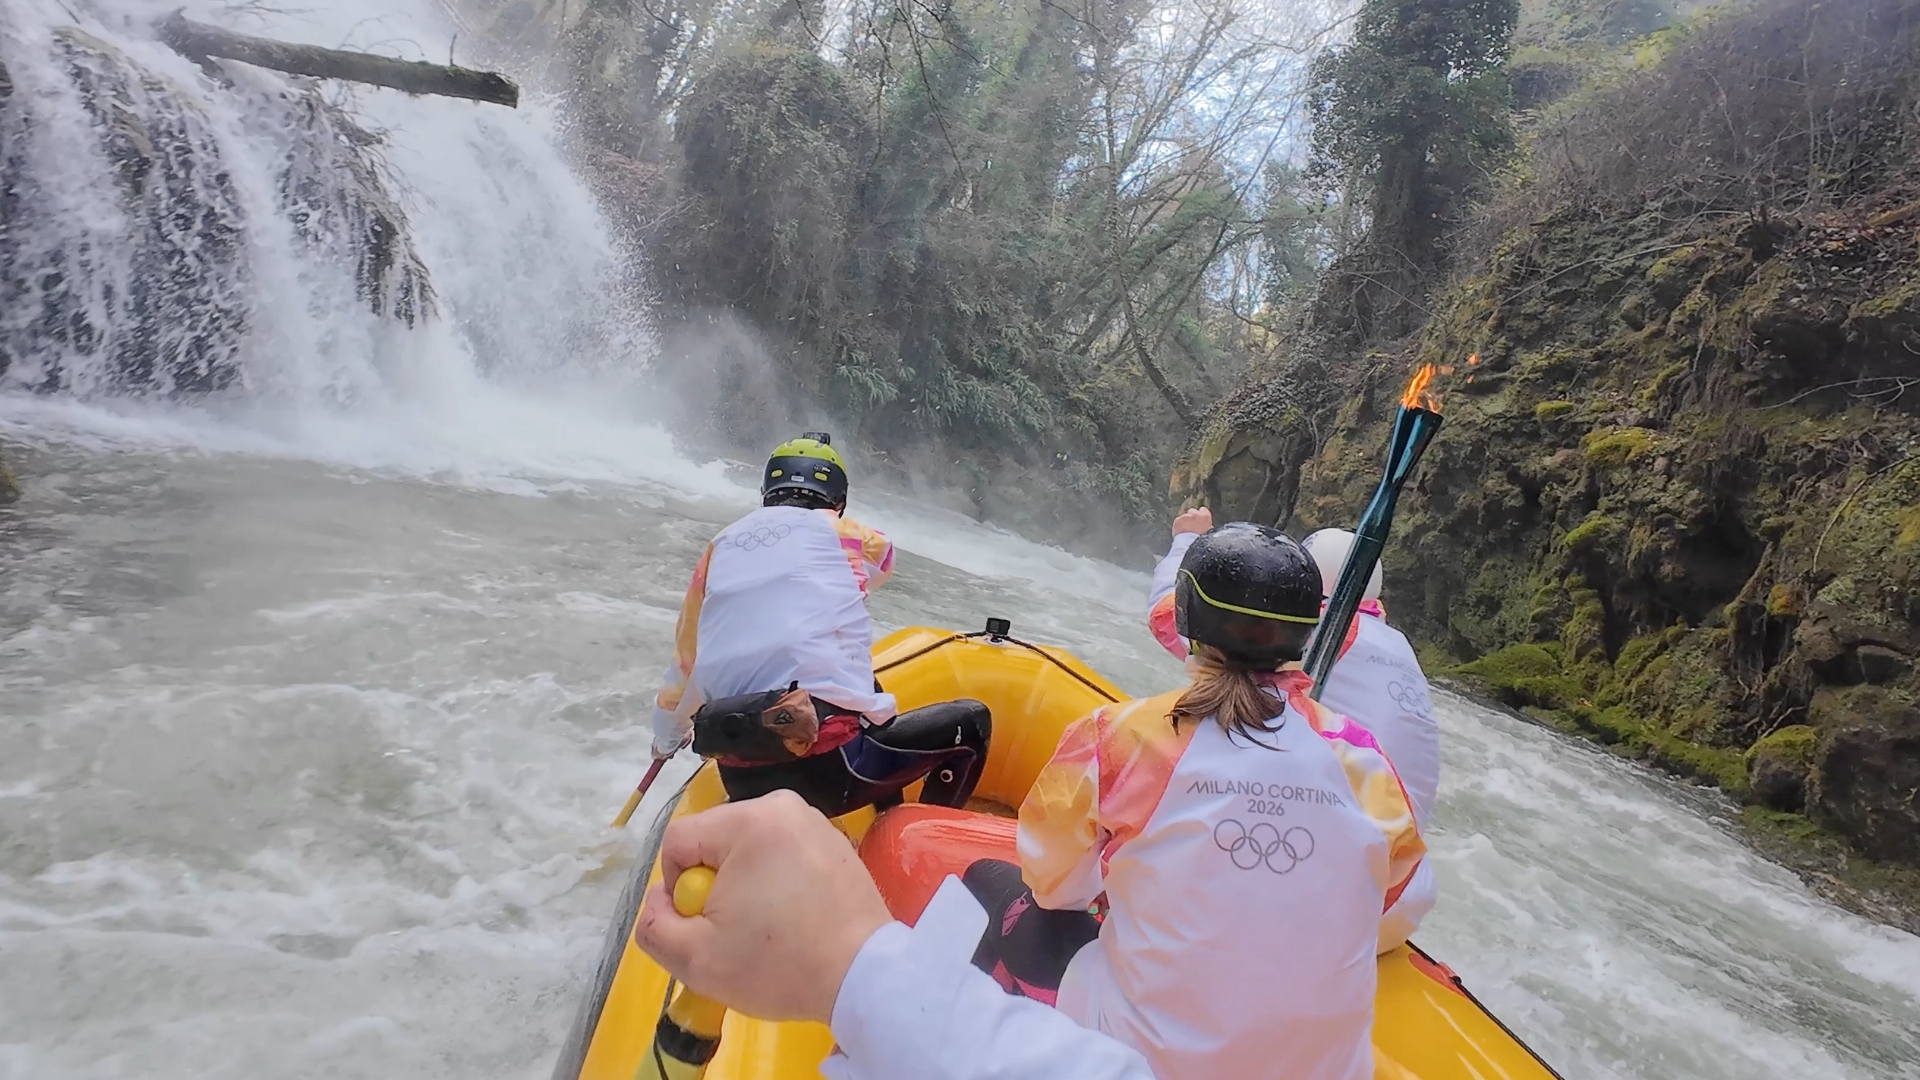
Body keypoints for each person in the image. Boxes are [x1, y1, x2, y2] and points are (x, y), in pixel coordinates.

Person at [966, 521, 1425, 1080]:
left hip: (1143, 1058)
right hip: (1323, 1067)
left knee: (990, 881)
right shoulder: (1363, 756)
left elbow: (1052, 883)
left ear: (1188, 618)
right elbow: (1386, 887)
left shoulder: (1121, 735)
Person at [633, 790, 1158, 1080]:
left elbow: (1051, 867)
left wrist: (851, 966)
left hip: (1104, 1003)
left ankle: (972, 989)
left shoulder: (1128, 734)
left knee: (986, 876)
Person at [650, 433, 990, 818]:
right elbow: (884, 560)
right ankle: (914, 844)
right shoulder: (844, 533)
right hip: (828, 777)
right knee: (972, 722)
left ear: (766, 491)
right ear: (839, 503)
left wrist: (666, 737)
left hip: (739, 776)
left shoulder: (718, 547)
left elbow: (684, 663)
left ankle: (881, 814)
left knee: (868, 690)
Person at [1149, 512, 1438, 952]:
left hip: (1330, 903)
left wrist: (1186, 540)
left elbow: (1173, 620)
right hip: (1403, 896)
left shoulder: (1317, 630)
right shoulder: (1399, 649)